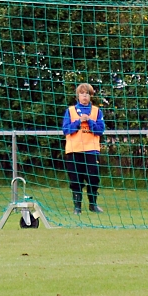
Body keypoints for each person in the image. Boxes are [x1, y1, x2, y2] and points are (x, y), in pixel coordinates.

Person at [62, 83, 106, 214]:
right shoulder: (70, 111)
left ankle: (93, 204)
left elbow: (100, 130)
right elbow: (65, 130)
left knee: (93, 178)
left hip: (91, 150)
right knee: (76, 180)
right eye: (82, 93)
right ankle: (77, 207)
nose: (84, 96)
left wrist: (89, 122)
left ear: (90, 96)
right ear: (78, 96)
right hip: (74, 150)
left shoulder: (96, 111)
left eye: (87, 93)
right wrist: (78, 122)